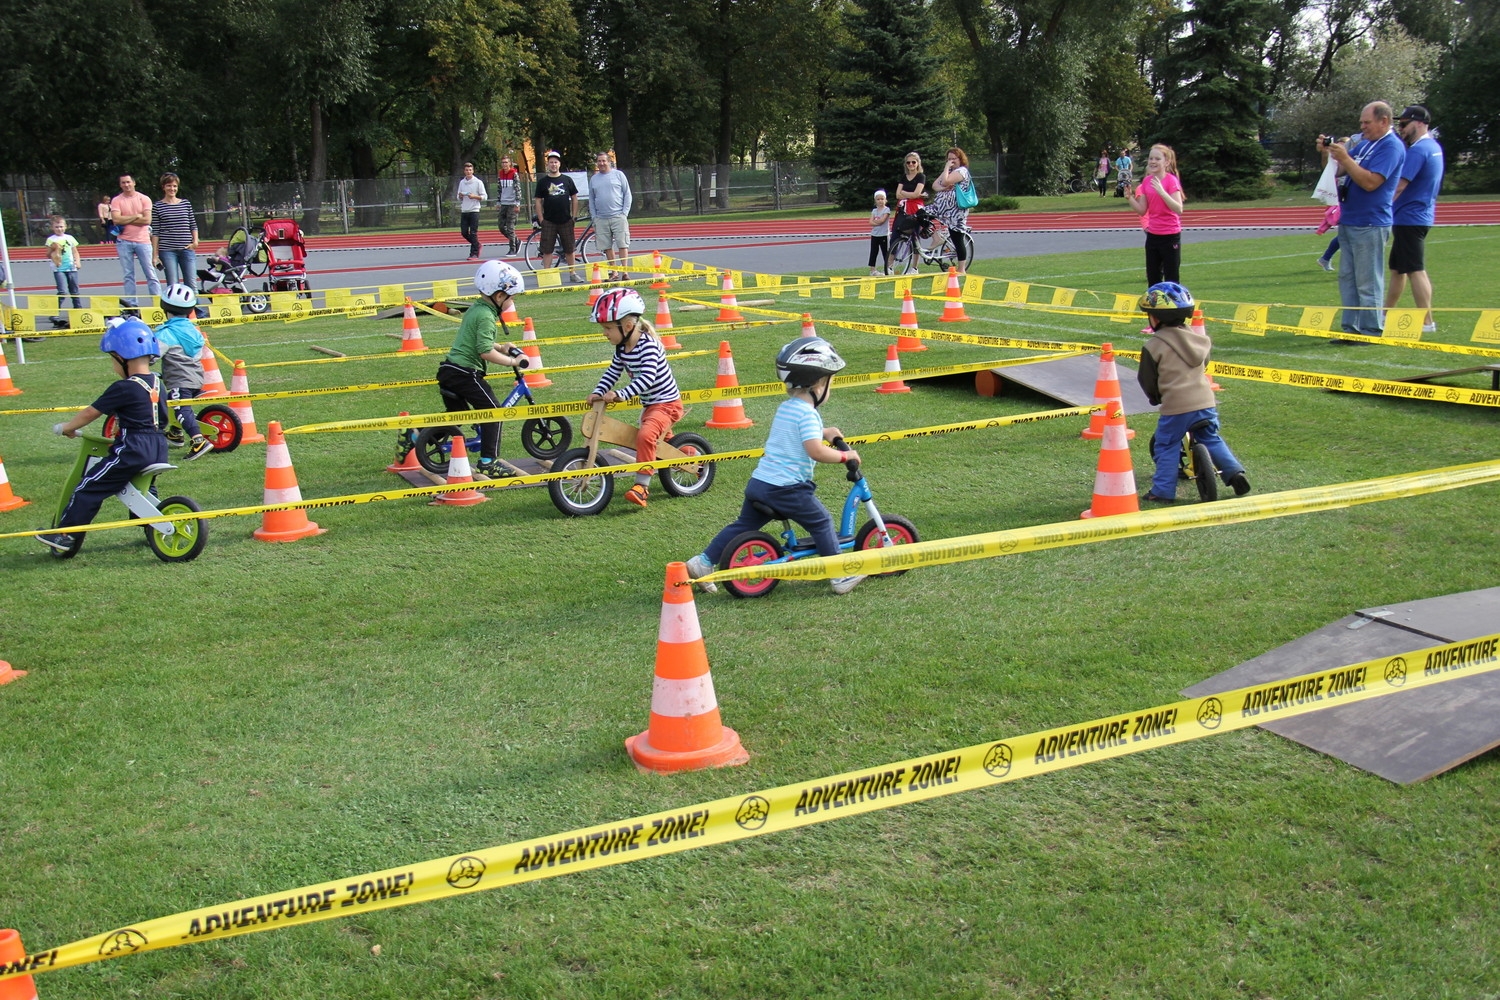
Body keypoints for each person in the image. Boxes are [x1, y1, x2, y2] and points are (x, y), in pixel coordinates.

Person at [684, 336, 866, 596]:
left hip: (761, 483)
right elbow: (814, 451)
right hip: (787, 488)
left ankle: (702, 563)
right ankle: (840, 575)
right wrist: (844, 456)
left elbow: (798, 434)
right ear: (818, 383)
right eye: (830, 382)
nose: (830, 387)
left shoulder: (787, 408)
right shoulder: (808, 414)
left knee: (743, 525)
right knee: (822, 522)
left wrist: (824, 431)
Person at [39, 318, 169, 553]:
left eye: (112, 359)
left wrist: (68, 427)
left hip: (133, 447)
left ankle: (66, 535)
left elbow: (91, 412)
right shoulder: (159, 384)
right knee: (143, 486)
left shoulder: (124, 387)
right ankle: (151, 525)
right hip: (159, 445)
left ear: (123, 357)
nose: (113, 366)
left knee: (89, 487)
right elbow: (163, 418)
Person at [1135, 282, 1250, 504]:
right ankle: (1234, 473)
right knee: (1212, 438)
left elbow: (1147, 379)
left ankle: (1162, 491)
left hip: (1177, 407)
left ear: (1155, 318)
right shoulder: (1200, 340)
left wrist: (1155, 397)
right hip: (1206, 402)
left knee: (1166, 445)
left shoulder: (1153, 346)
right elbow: (1203, 364)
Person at [587, 288, 683, 508]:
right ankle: (690, 456)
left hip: (667, 404)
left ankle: (642, 487)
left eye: (608, 328)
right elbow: (613, 372)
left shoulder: (648, 346)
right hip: (651, 404)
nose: (605, 333)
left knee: (646, 436)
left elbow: (647, 378)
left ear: (627, 326)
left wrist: (621, 394)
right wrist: (598, 392)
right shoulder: (622, 348)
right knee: (663, 444)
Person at [437, 260, 528, 478]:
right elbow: (484, 352)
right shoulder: (487, 316)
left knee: (456, 415)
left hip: (450, 370)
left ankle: (416, 435)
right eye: (512, 297)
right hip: (465, 372)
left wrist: (503, 347)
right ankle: (489, 461)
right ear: (499, 296)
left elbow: (480, 341)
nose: (512, 301)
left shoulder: (477, 309)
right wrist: (513, 362)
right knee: (493, 412)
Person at [1323, 101, 1404, 341]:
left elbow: (1370, 182)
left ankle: (1370, 330)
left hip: (1371, 222)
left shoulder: (1391, 147)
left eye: (1367, 122)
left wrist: (1345, 158)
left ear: (1384, 121)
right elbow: (1337, 172)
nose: (1362, 127)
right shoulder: (1367, 144)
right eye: (1361, 122)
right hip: (1350, 219)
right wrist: (1328, 154)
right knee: (1348, 278)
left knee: (1367, 280)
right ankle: (1351, 328)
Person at [1386, 105, 1445, 334]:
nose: (1401, 129)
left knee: (1415, 269)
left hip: (1410, 217)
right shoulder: (1433, 147)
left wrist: (1380, 207)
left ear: (1419, 123)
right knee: (1397, 270)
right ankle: (1384, 313)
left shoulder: (1419, 150)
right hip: (1415, 215)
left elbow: (1399, 186)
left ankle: (1428, 321)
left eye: (1404, 124)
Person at [153, 283, 214, 461]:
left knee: (179, 406)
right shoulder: (192, 331)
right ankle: (175, 433)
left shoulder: (166, 333)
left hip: (181, 380)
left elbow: (154, 355)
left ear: (164, 308)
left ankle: (198, 440)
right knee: (171, 402)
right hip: (196, 377)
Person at [1126, 144, 1185, 289]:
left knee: (1171, 279)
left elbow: (1178, 209)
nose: (1153, 161)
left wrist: (1162, 192)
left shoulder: (1171, 181)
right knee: (1153, 278)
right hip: (1153, 236)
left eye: (1157, 158)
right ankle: (1155, 311)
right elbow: (1142, 210)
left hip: (1170, 235)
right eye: (1151, 158)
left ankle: (1172, 310)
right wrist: (1129, 198)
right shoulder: (1147, 181)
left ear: (1166, 162)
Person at [111, 173, 161, 310]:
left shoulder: (144, 199)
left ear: (134, 183)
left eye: (128, 182)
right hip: (124, 241)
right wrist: (136, 216)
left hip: (143, 241)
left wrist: (126, 218)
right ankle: (132, 306)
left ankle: (158, 303)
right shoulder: (116, 200)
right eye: (123, 183)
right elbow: (116, 220)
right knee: (128, 275)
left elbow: (147, 220)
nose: (126, 185)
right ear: (120, 185)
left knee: (150, 272)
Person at [533, 151, 582, 282]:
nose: (553, 165)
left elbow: (574, 197)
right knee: (547, 249)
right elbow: (538, 200)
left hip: (566, 220)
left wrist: (574, 216)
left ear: (559, 164)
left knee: (569, 248)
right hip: (549, 220)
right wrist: (541, 218)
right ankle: (547, 275)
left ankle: (573, 273)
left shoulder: (567, 180)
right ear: (548, 164)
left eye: (555, 162)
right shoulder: (543, 182)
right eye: (551, 162)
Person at [588, 152, 633, 281]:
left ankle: (625, 272)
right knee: (607, 246)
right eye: (599, 161)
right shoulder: (594, 179)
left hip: (618, 216)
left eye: (604, 161)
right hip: (601, 218)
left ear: (609, 161)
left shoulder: (619, 175)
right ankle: (614, 272)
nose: (601, 163)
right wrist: (594, 217)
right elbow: (591, 199)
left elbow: (627, 194)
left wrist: (624, 213)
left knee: (622, 244)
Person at [930, 147, 975, 275]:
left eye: (953, 159)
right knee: (921, 214)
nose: (950, 161)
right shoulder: (948, 170)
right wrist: (943, 188)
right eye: (948, 159)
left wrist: (946, 172)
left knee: (957, 237)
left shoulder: (962, 171)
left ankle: (961, 269)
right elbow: (935, 185)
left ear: (960, 159)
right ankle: (936, 238)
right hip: (941, 207)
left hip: (956, 210)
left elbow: (945, 181)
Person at [151, 173, 198, 287]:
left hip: (186, 248)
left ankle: (195, 305)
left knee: (192, 283)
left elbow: (193, 224)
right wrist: (155, 255)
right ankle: (175, 305)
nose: (172, 188)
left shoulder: (185, 203)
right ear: (163, 187)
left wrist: (195, 241)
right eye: (169, 185)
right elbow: (156, 231)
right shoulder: (157, 206)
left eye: (174, 186)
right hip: (167, 250)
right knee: (173, 284)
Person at [45, 215, 83, 325]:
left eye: (61, 226)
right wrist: (53, 249)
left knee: (74, 290)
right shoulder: (51, 240)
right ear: (52, 227)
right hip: (59, 268)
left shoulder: (70, 238)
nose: (59, 229)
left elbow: (75, 251)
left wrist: (78, 261)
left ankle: (78, 310)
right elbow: (48, 255)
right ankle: (54, 313)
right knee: (62, 291)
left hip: (71, 267)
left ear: (65, 226)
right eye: (56, 227)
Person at [892, 152, 926, 274]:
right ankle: (890, 267)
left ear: (917, 163)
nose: (911, 164)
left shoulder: (921, 176)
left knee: (915, 235)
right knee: (896, 233)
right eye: (908, 162)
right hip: (903, 208)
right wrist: (910, 195)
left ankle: (915, 267)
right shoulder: (904, 177)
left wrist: (905, 194)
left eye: (913, 162)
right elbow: (897, 194)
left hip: (915, 208)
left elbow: (917, 194)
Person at [456, 162, 487, 261]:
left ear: (473, 171)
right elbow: (458, 196)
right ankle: (477, 244)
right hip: (465, 210)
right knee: (464, 232)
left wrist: (475, 196)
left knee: (473, 232)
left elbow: (484, 197)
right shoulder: (462, 182)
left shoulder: (478, 182)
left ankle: (474, 253)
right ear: (464, 171)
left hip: (474, 210)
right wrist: (460, 196)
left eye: (470, 170)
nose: (468, 172)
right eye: (466, 170)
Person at [495, 155, 522, 255]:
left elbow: (518, 189)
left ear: (510, 163)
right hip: (503, 203)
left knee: (510, 227)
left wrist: (517, 203)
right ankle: (516, 240)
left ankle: (513, 248)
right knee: (501, 226)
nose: (504, 164)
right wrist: (498, 202)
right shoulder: (500, 174)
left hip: (512, 203)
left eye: (506, 162)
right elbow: (499, 189)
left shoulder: (514, 174)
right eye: (503, 163)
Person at [868, 189, 891, 276]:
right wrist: (875, 222)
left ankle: (887, 268)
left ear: (885, 200)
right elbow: (870, 222)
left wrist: (875, 222)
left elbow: (882, 220)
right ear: (875, 201)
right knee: (874, 252)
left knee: (885, 252)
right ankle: (872, 270)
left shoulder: (886, 210)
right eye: (878, 199)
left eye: (882, 199)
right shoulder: (874, 211)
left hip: (884, 235)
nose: (880, 201)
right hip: (875, 235)